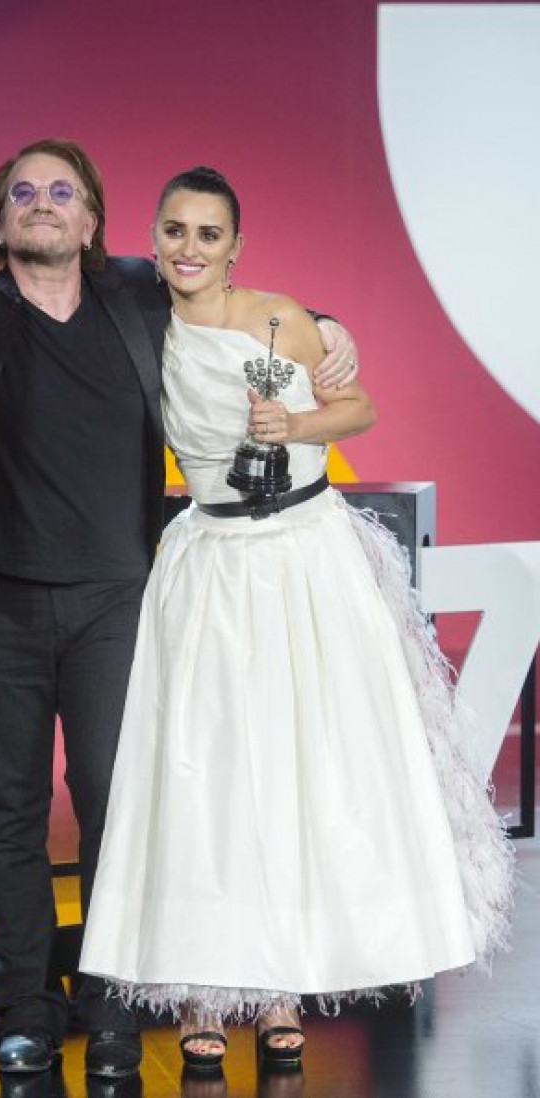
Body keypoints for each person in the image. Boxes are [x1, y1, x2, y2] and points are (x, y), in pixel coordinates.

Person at [0, 21, 359, 1079]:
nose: (41, 205)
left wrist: (324, 325)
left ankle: (107, 1012)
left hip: (116, 599)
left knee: (116, 808)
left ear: (92, 221)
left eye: (61, 192)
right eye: (21, 195)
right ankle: (25, 1015)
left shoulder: (140, 297)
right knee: (7, 810)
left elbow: (234, 303)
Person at [79, 166, 514, 1073]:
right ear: (152, 240)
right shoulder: (139, 317)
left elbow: (358, 405)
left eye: (208, 234)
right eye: (174, 231)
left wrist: (299, 427)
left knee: (298, 766)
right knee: (209, 771)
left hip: (306, 562)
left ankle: (280, 989)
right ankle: (205, 987)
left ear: (237, 245)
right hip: (208, 566)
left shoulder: (280, 320)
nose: (189, 248)